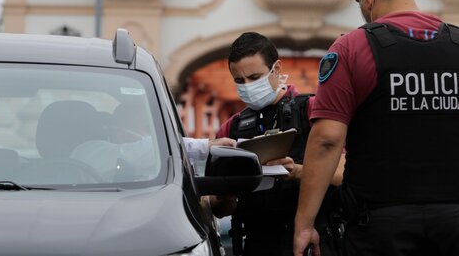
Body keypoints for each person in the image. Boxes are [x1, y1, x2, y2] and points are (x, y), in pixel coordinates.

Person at [293, 0, 459, 256]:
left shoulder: (352, 48)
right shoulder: (456, 43)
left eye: (359, 3)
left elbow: (327, 140)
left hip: (382, 226)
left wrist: (305, 224)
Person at [212, 32, 345, 256]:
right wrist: (230, 188)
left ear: (277, 69)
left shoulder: (312, 111)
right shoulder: (230, 130)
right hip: (258, 242)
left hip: (317, 240)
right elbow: (219, 208)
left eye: (255, 77)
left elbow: (345, 174)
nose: (247, 86)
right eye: (239, 80)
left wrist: (298, 172)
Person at [71, 102, 235, 182]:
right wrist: (205, 145)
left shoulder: (160, 169)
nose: (155, 137)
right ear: (121, 133)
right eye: (148, 129)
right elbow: (153, 149)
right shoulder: (88, 151)